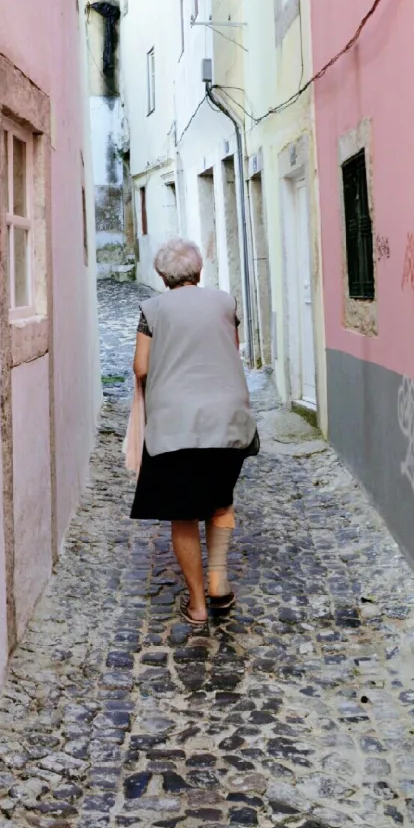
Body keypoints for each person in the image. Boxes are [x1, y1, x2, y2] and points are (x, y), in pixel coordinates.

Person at [130, 237, 260, 627]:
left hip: (175, 423)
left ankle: (199, 606)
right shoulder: (225, 303)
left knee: (182, 513)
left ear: (162, 276)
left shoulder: (152, 309)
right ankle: (219, 581)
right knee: (221, 501)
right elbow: (231, 349)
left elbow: (140, 367)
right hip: (227, 417)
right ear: (199, 271)